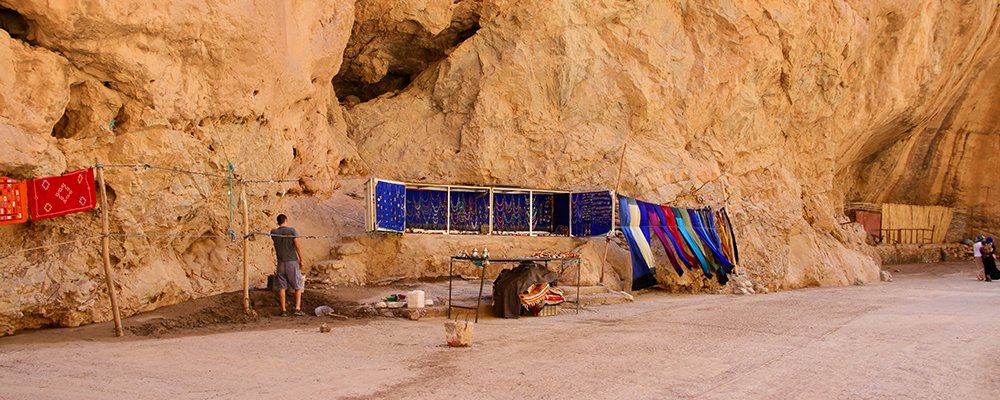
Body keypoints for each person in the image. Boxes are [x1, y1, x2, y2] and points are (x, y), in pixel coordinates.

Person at [271, 214, 305, 316]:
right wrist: (301, 260)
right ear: (286, 220)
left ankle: (284, 310)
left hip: (281, 263)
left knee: (282, 287)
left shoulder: (273, 232)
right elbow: (297, 246)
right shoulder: (291, 231)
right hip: (292, 262)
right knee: (298, 286)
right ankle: (297, 309)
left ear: (277, 222)